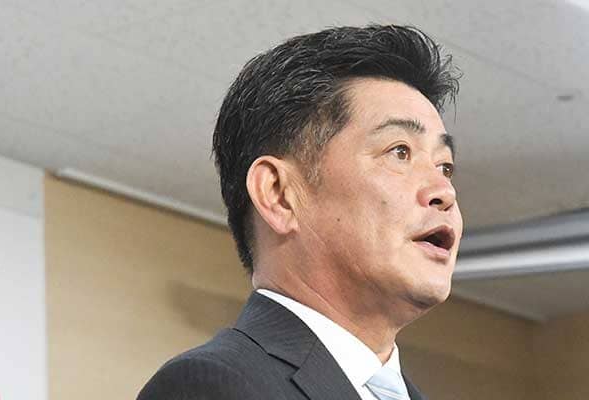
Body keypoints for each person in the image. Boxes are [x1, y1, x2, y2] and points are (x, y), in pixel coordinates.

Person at [136, 25, 462, 400]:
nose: (445, 192)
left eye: (444, 166)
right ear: (279, 194)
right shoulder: (213, 384)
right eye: (400, 152)